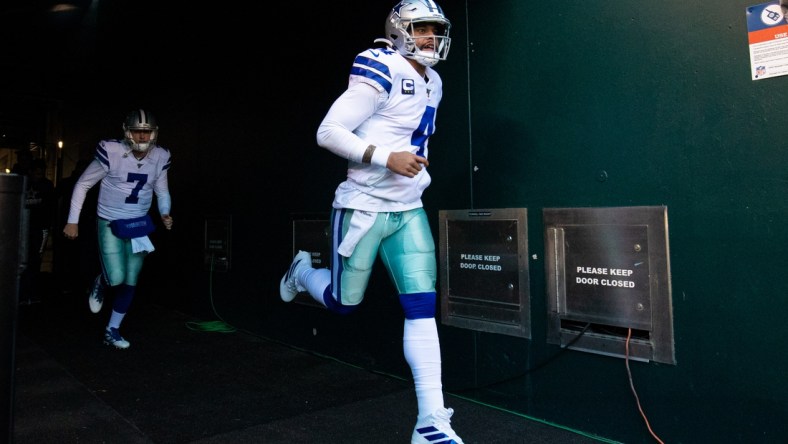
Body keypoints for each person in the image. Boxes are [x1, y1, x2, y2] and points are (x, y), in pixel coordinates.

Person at [279, 2, 463, 443]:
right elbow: (328, 131)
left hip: (408, 208)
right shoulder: (378, 66)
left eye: (436, 31)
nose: (431, 39)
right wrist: (385, 157)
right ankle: (302, 270)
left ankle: (431, 420)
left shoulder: (433, 80)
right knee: (344, 304)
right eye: (422, 29)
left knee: (421, 308)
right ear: (400, 30)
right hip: (362, 206)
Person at [63, 109, 173, 349]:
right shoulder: (112, 151)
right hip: (110, 220)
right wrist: (73, 220)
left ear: (154, 134)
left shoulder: (161, 156)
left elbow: (162, 190)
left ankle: (112, 329)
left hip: (138, 223)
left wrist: (165, 211)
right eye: (137, 132)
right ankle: (101, 281)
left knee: (131, 279)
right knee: (116, 277)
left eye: (147, 132)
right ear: (127, 132)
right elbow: (83, 184)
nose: (143, 138)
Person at [16, 156, 56, 303]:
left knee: (35, 260)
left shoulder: (46, 185)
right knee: (23, 259)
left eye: (42, 173)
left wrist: (48, 224)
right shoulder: (24, 183)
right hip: (25, 227)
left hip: (39, 227)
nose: (39, 176)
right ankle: (23, 293)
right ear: (31, 172)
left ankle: (30, 293)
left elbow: (51, 206)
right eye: (37, 173)